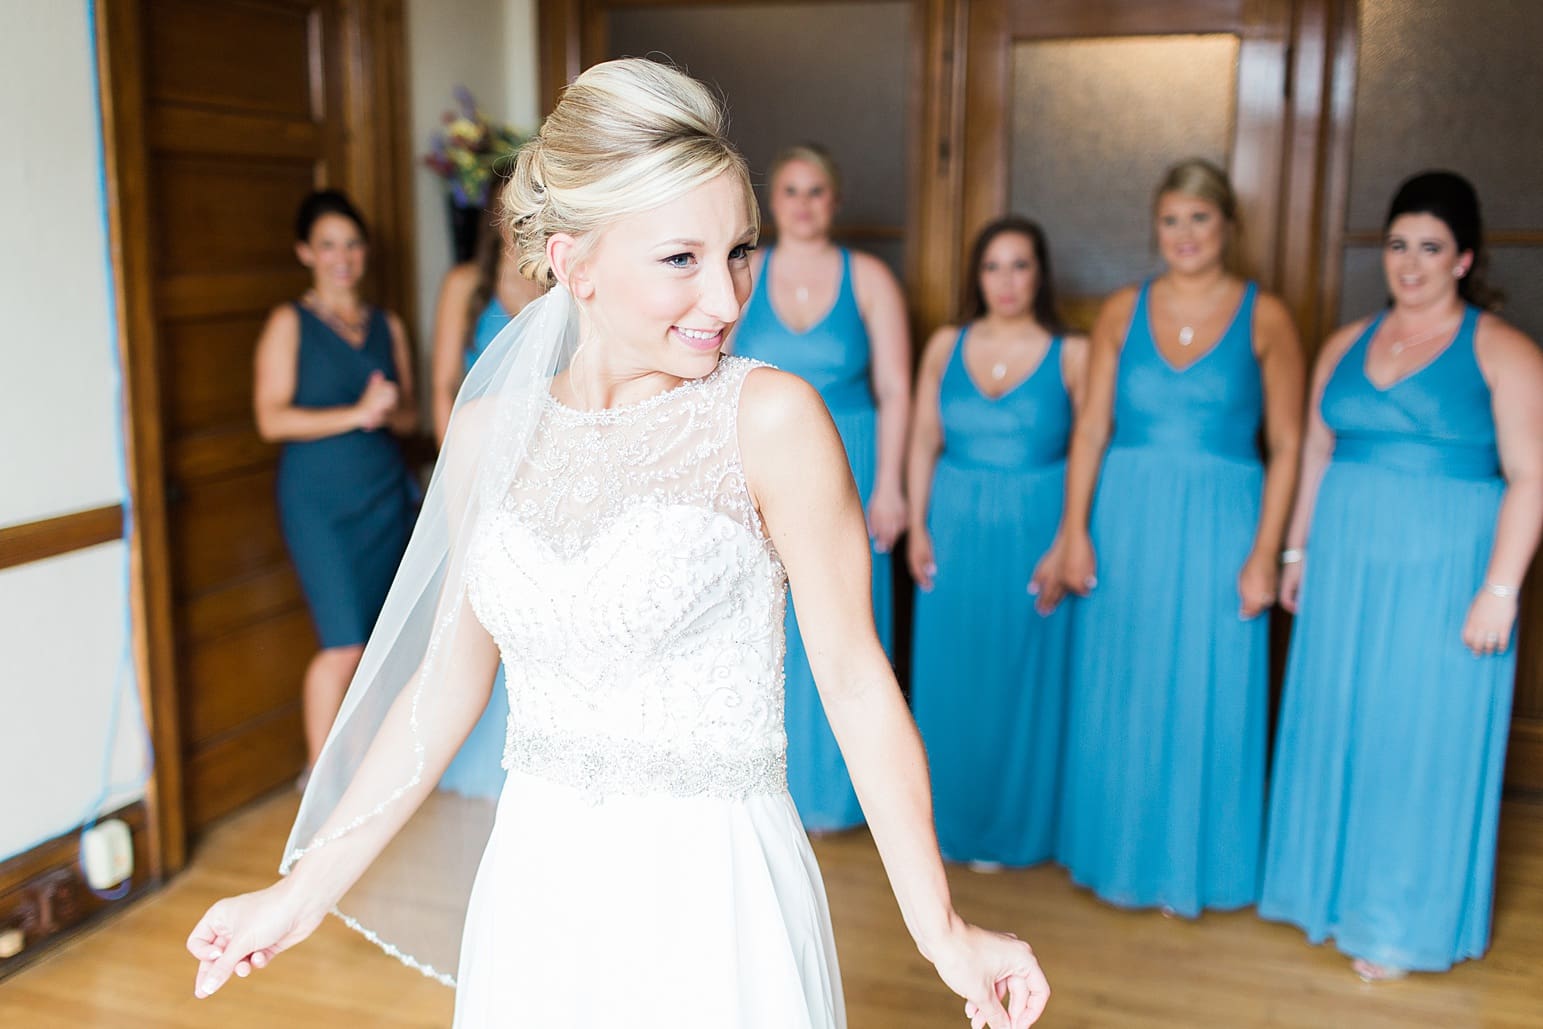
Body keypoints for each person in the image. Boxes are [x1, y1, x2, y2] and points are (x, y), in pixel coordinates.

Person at [187, 59, 1049, 1029]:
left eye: (739, 252)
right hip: (536, 893)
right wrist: (297, 893)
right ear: (573, 263)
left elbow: (854, 682)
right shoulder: (488, 436)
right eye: (682, 259)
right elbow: (440, 689)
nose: (725, 300)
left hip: (714, 900)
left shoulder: (769, 420)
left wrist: (942, 932)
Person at [1260, 170, 1543, 981]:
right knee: (1343, 721)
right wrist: (1295, 551)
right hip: (1345, 571)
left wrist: (1499, 588)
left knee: (1423, 737)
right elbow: (1316, 449)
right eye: (1396, 244)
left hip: (1444, 575)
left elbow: (1530, 474)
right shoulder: (1344, 344)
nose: (1409, 262)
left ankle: (1399, 919)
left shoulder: (1501, 349)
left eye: (1429, 247)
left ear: (1463, 260)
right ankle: (1329, 895)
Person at [1034, 159, 1304, 915]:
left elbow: (1286, 443)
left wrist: (1266, 552)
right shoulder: (1123, 310)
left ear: (1227, 226)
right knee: (1124, 682)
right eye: (1170, 220)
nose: (1184, 235)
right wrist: (1072, 532)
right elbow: (1089, 428)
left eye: (1199, 218)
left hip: (1224, 521)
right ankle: (1114, 855)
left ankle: (1198, 866)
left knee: (1208, 689)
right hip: (1126, 517)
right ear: (1155, 228)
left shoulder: (1266, 316)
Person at [731, 143, 911, 833]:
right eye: (789, 192)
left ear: (833, 201)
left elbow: (896, 387)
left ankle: (847, 792)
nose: (802, 205)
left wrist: (889, 486)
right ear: (770, 204)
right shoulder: (746, 271)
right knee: (769, 620)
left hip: (856, 461)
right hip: (771, 466)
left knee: (848, 625)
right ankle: (774, 785)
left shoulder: (867, 277)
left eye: (815, 192)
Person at [907, 215, 1085, 869]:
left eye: (1019, 265)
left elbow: (1088, 448)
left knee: (1025, 683)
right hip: (952, 525)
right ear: (975, 276)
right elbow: (924, 439)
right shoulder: (944, 344)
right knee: (953, 678)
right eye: (992, 266)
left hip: (1034, 528)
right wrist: (919, 524)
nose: (1005, 281)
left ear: (1039, 275)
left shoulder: (1072, 353)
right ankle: (950, 824)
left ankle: (1021, 831)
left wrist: (1069, 536)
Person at [254, 189, 419, 778]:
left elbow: (409, 418)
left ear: (365, 251)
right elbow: (271, 418)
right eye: (327, 245)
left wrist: (391, 408)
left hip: (384, 494)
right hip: (320, 501)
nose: (341, 256)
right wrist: (356, 414)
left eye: (351, 243)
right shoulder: (288, 322)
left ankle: (362, 768)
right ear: (306, 252)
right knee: (343, 645)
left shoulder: (387, 326)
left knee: (379, 645)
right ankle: (320, 781)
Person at [429, 184, 546, 798]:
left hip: (543, 467)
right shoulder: (462, 286)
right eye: (505, 206)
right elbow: (445, 382)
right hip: (478, 467)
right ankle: (475, 752)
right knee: (476, 607)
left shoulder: (558, 277)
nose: (515, 217)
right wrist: (459, 469)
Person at [429, 187, 547, 445]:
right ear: (495, 217)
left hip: (548, 441)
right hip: (483, 441)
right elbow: (444, 385)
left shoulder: (561, 284)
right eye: (512, 210)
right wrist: (452, 464)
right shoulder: (463, 283)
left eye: (530, 209)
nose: (522, 221)